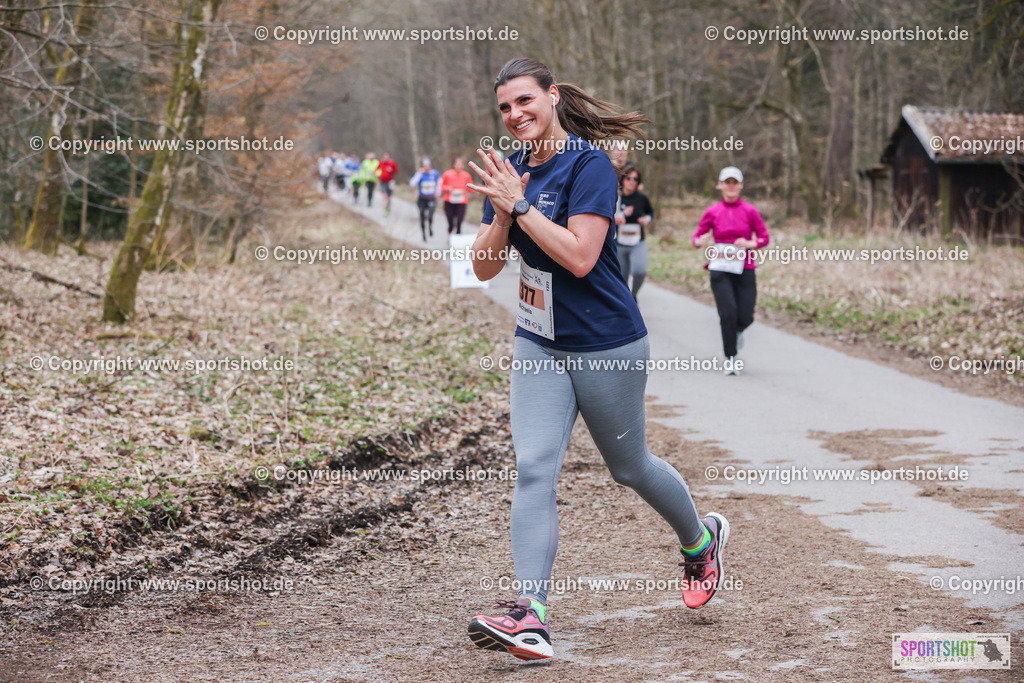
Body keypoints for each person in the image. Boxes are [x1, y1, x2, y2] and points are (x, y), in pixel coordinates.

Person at [466, 57, 729, 662]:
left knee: (630, 468)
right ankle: (531, 616)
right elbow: (483, 267)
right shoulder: (509, 173)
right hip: (539, 342)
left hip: (607, 343)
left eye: (525, 100)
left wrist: (521, 208)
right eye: (505, 107)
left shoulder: (589, 166)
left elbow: (581, 257)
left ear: (552, 96)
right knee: (534, 468)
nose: (515, 114)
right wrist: (501, 213)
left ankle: (699, 541)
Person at [692, 166, 770, 376]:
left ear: (741, 185)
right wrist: (699, 241)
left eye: (735, 182)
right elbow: (697, 237)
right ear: (720, 185)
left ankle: (738, 331)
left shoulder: (750, 211)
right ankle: (731, 358)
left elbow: (764, 238)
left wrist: (750, 243)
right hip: (720, 269)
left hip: (745, 268)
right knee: (728, 314)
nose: (731, 186)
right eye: (727, 182)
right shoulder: (712, 211)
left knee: (746, 316)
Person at [614, 164, 654, 301]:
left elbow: (650, 212)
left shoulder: (642, 198)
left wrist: (646, 219)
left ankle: (633, 295)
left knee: (639, 271)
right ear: (623, 180)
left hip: (638, 241)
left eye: (635, 179)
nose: (632, 181)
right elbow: (609, 216)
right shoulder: (616, 197)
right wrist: (621, 216)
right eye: (629, 178)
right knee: (622, 276)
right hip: (620, 243)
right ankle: (627, 303)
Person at [409, 158, 442, 241]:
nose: (426, 168)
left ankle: (430, 226)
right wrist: (419, 174)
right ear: (422, 166)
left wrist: (438, 191)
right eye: (424, 166)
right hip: (422, 199)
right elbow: (412, 184)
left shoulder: (435, 173)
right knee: (422, 216)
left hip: (431, 198)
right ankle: (423, 233)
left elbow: (440, 183)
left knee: (430, 215)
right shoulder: (419, 174)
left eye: (428, 166)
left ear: (430, 166)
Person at [440, 157, 474, 235]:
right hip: (449, 201)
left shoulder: (466, 175)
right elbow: (441, 186)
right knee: (450, 221)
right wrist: (447, 188)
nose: (459, 166)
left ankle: (458, 236)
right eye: (457, 164)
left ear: (463, 165)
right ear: (454, 165)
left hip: (461, 202)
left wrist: (472, 189)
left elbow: (471, 189)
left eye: (461, 164)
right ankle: (450, 235)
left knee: (459, 221)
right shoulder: (447, 174)